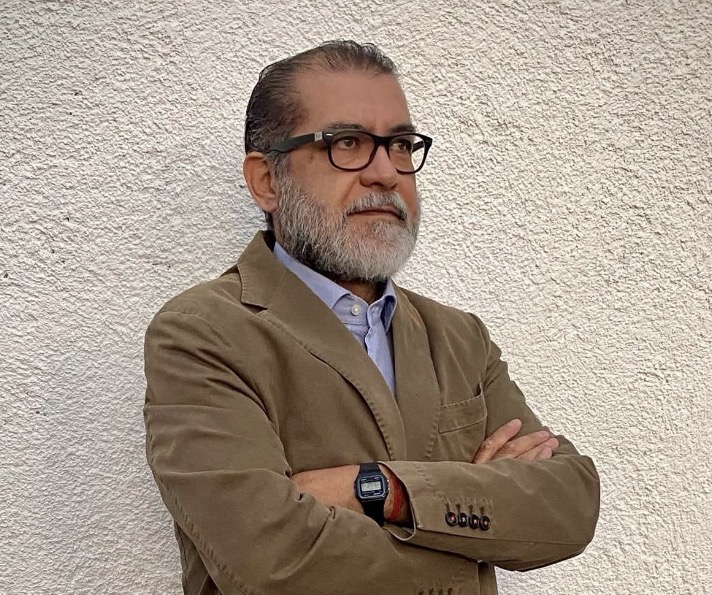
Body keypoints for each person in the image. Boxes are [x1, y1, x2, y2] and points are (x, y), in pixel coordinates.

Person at [143, 40, 599, 595]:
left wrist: (381, 489)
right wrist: (474, 545)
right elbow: (271, 562)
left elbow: (569, 506)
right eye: (347, 143)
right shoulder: (204, 333)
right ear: (267, 180)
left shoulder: (459, 338)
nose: (385, 172)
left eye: (400, 145)